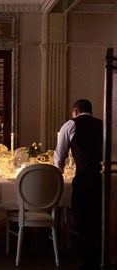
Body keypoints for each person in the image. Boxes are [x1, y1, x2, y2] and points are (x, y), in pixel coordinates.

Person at [54, 99, 103, 270]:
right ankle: (98, 259)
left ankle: (86, 261)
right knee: (98, 220)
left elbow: (59, 156)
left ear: (75, 111)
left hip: (84, 179)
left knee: (82, 220)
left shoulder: (70, 125)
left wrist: (57, 175)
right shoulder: (103, 125)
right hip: (103, 180)